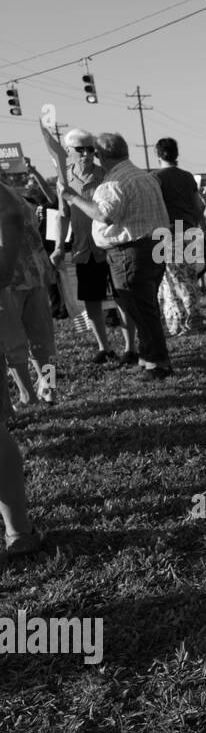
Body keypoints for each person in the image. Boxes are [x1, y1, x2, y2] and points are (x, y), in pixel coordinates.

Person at [61, 132, 173, 380]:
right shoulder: (144, 176)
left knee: (141, 309)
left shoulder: (114, 182)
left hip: (130, 252)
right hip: (153, 246)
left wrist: (74, 197)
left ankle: (158, 363)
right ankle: (147, 356)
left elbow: (103, 215)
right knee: (146, 306)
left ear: (101, 155)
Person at [52, 128, 136, 364]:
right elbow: (62, 214)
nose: (87, 154)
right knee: (92, 299)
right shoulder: (63, 180)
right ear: (69, 151)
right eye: (81, 150)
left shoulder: (106, 174)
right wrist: (59, 246)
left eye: (91, 149)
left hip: (110, 245)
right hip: (83, 249)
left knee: (122, 296)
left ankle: (131, 347)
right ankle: (104, 347)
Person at [0, 180, 47, 558]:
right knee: (17, 349)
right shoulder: (12, 199)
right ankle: (27, 392)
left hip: (29, 276)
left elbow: (18, 213)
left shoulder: (22, 197)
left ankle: (43, 389)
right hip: (11, 282)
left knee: (40, 346)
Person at [151, 137, 204, 335]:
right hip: (188, 229)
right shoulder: (187, 177)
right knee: (189, 275)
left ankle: (179, 320)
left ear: (157, 154)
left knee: (171, 279)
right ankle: (193, 315)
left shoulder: (155, 178)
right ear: (176, 154)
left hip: (166, 232)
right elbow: (199, 206)